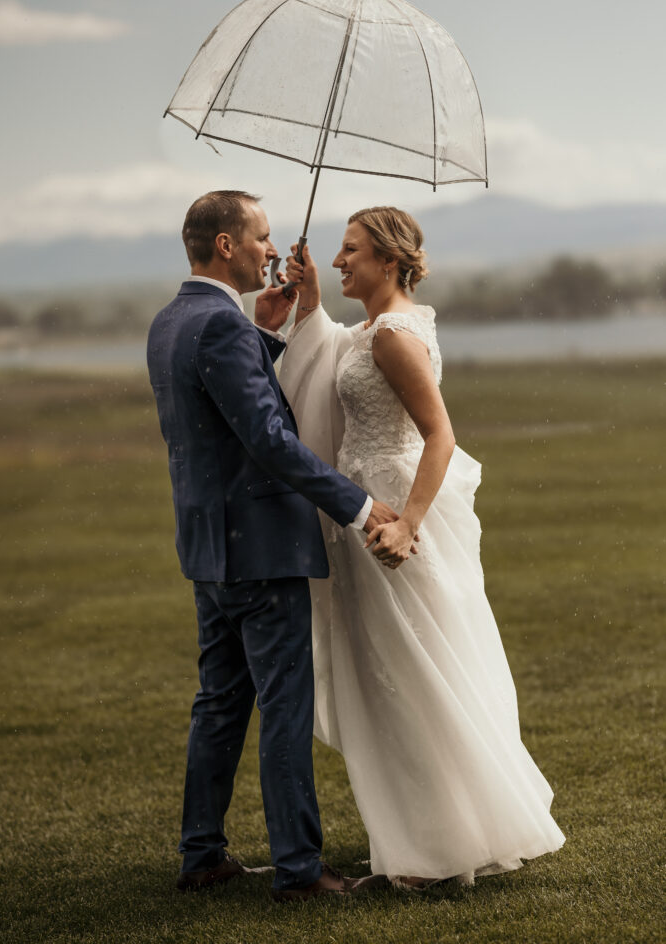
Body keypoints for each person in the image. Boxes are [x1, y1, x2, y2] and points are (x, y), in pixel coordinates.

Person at [279, 206, 566, 886]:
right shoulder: (371, 331)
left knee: (407, 670)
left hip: (392, 515)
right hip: (366, 509)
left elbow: (438, 435)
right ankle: (426, 838)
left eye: (350, 251)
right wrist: (311, 301)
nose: (340, 259)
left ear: (387, 259)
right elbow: (328, 354)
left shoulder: (391, 338)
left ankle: (435, 851)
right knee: (394, 671)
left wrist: (406, 524)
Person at [146, 191, 404, 902]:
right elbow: (265, 439)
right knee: (283, 707)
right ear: (226, 246)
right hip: (260, 549)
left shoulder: (171, 322)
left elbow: (219, 408)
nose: (271, 249)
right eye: (261, 237)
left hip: (206, 549)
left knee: (220, 704)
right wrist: (354, 505)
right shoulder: (218, 328)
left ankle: (201, 856)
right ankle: (299, 871)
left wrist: (269, 332)